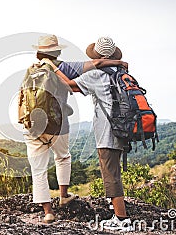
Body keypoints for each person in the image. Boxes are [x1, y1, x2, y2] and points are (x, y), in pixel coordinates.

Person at [22, 35, 128, 223]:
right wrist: (118, 62)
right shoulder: (65, 67)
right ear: (58, 51)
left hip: (33, 125)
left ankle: (48, 212)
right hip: (58, 125)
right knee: (63, 157)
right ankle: (64, 196)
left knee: (38, 169)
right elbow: (96, 63)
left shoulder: (31, 70)